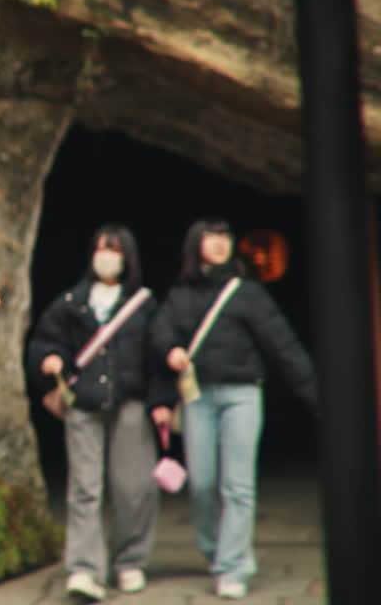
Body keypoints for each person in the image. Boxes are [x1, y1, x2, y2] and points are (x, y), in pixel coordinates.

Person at [149, 218, 316, 600]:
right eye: (212, 237)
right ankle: (215, 551)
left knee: (237, 486)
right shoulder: (181, 293)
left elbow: (283, 345)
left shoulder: (247, 291)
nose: (221, 244)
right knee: (203, 484)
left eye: (225, 237)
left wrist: (318, 398)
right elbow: (160, 331)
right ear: (196, 244)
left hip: (242, 394)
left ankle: (234, 565)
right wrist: (170, 349)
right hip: (197, 397)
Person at [27, 224, 174, 601]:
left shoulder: (142, 303)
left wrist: (161, 403)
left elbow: (156, 357)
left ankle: (130, 561)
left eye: (115, 250)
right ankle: (85, 569)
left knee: (134, 488)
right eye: (101, 249)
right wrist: (49, 360)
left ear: (128, 259)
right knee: (84, 489)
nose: (107, 256)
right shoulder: (71, 302)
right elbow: (44, 341)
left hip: (131, 403)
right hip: (84, 404)